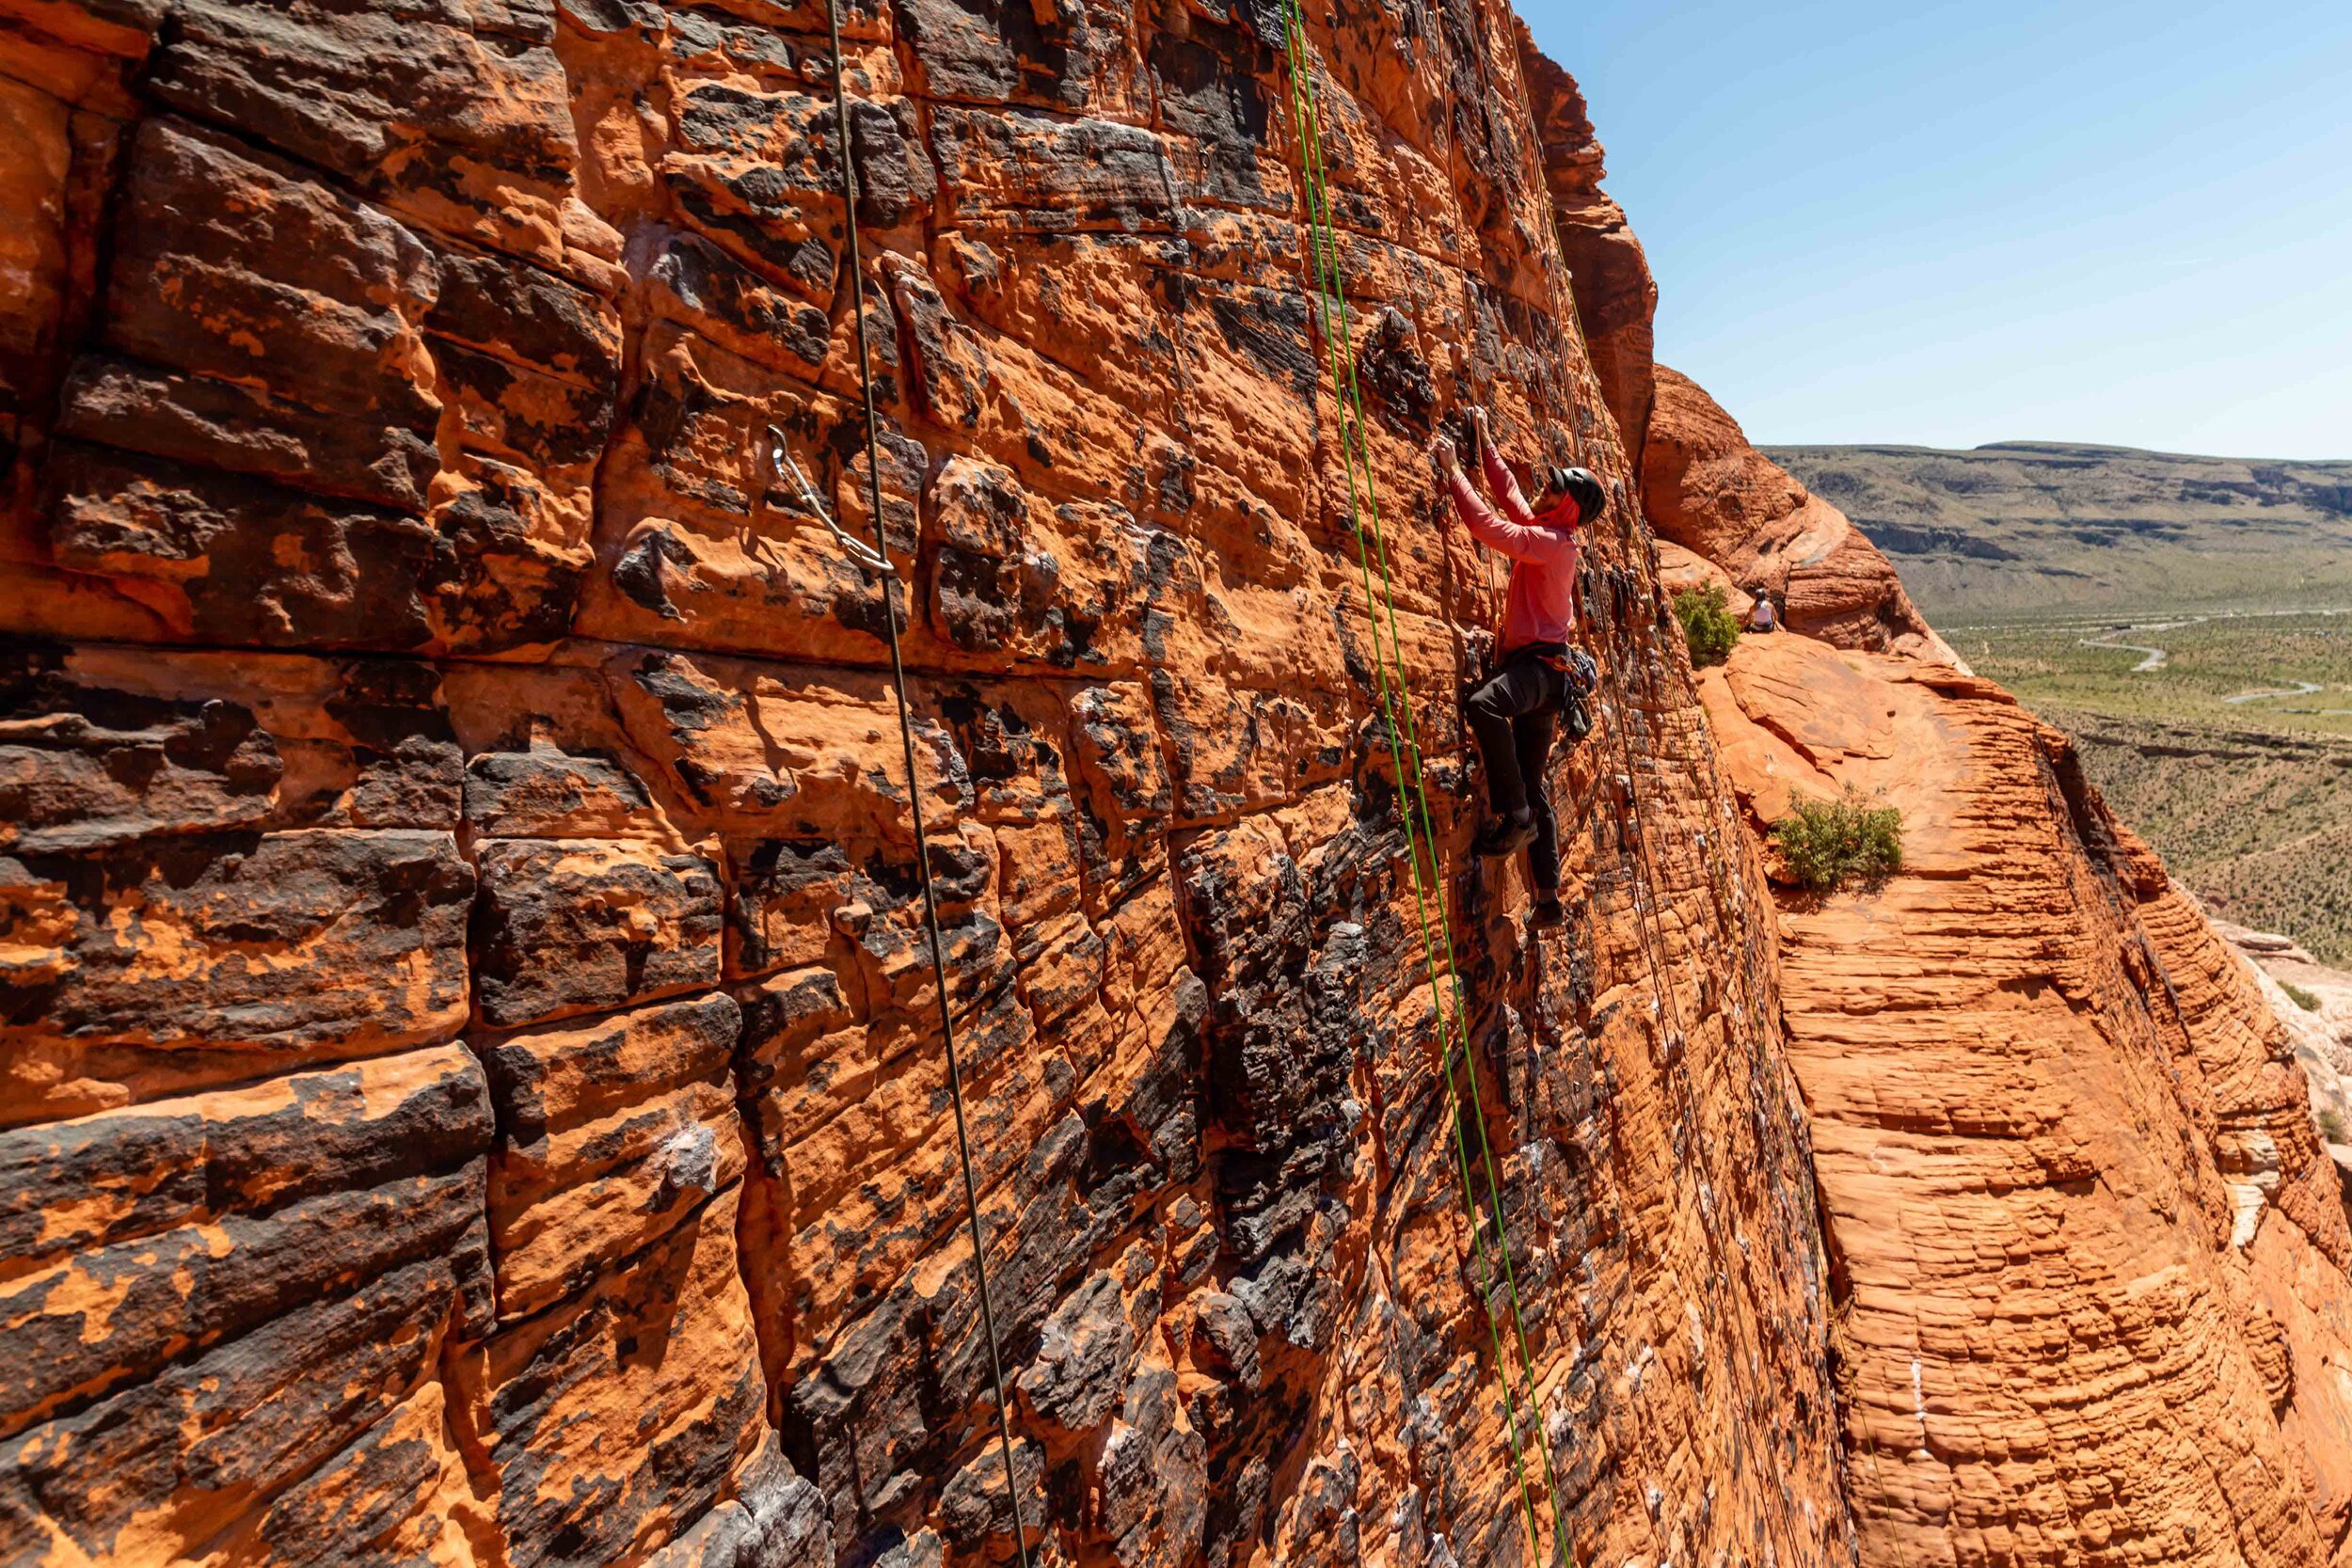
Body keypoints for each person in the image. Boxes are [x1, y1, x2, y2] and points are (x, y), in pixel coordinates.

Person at [1437, 407, 1606, 930]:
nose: (1542, 491)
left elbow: (1489, 526)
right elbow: (1509, 494)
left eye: (1553, 490)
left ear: (1569, 509)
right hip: (1550, 679)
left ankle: (1516, 818)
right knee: (1536, 787)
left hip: (1536, 673)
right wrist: (1484, 442)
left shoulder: (1553, 546)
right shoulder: (1549, 532)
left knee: (1483, 705)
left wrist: (1450, 468)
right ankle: (1548, 900)